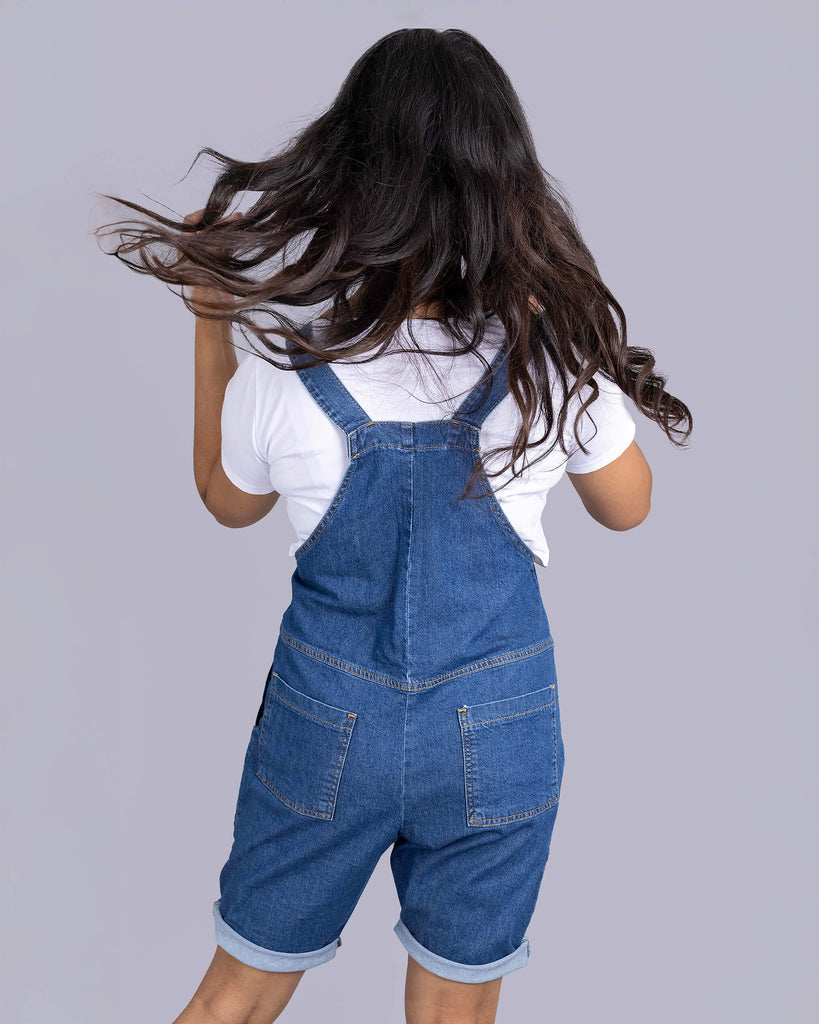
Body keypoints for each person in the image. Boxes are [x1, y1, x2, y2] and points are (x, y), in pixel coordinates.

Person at [94, 26, 690, 1024]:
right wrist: (574, 334)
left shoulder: (294, 374)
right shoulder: (549, 367)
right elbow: (629, 507)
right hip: (497, 733)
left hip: (328, 727)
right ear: (508, 186)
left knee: (233, 997)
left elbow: (224, 497)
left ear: (351, 176)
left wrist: (210, 326)